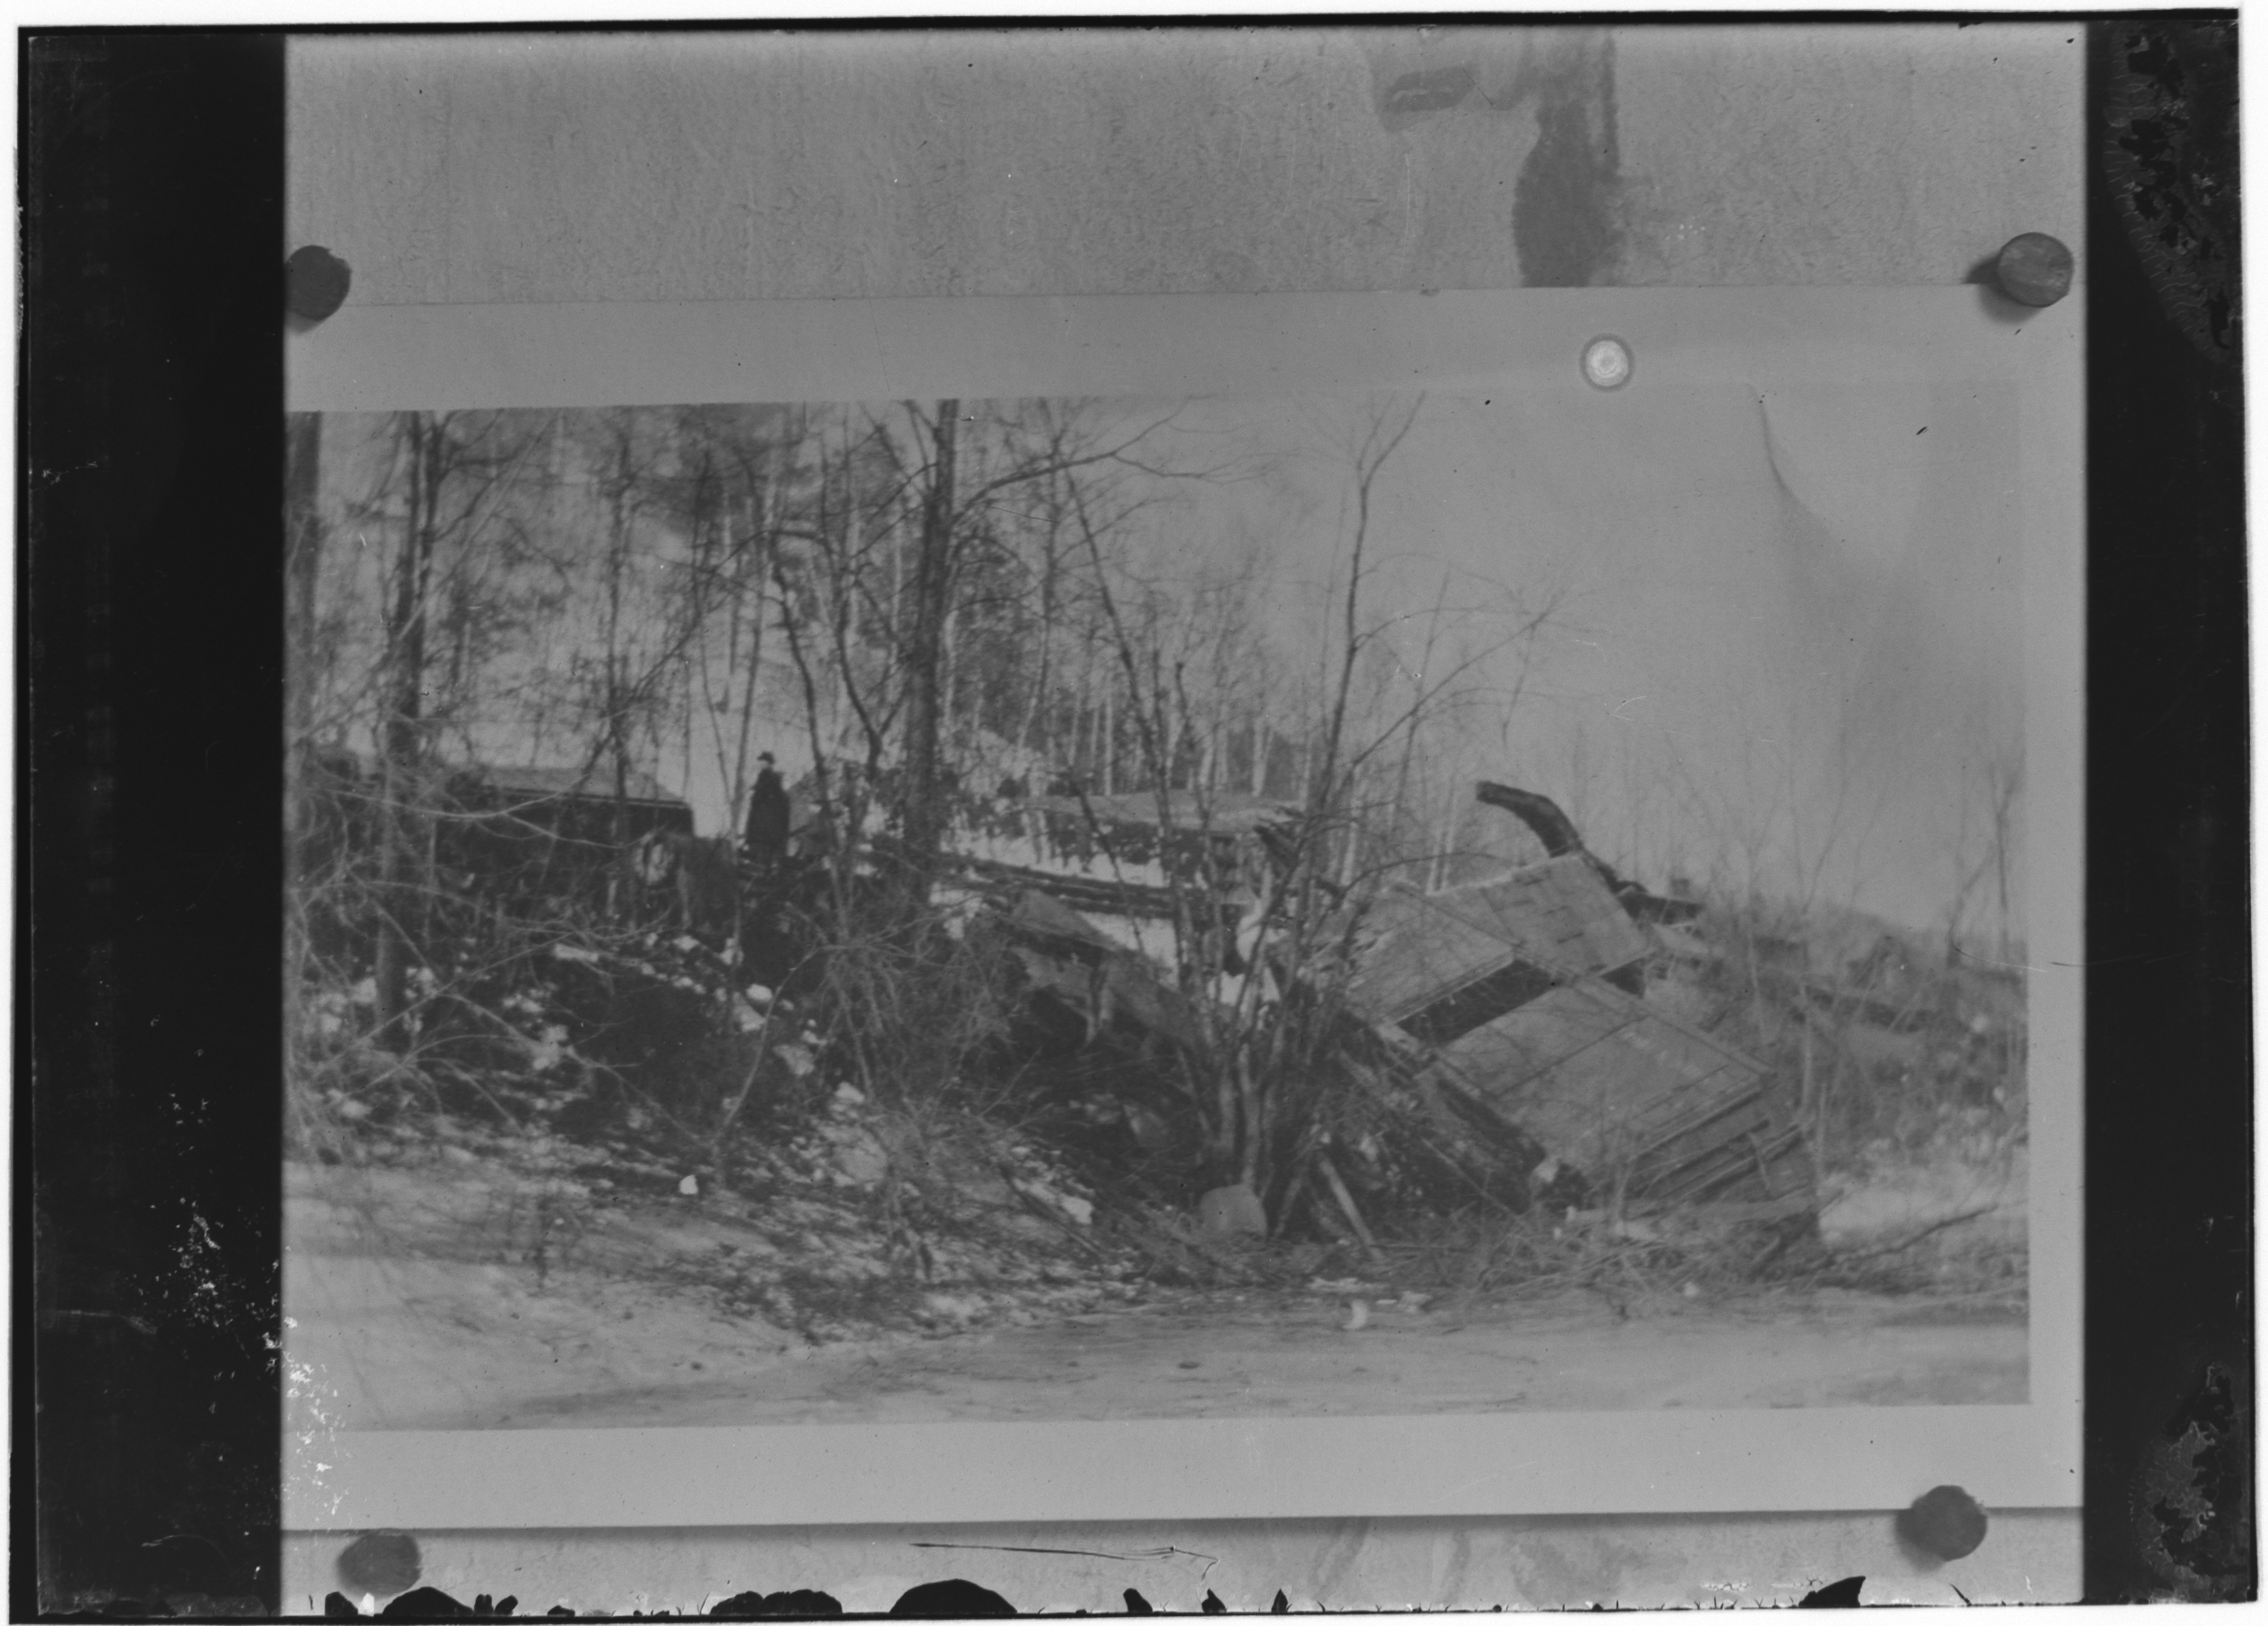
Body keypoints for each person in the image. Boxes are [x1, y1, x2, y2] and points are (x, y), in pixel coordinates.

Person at [743, 751, 790, 872]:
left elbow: (768, 797)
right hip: (764, 829)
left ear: (769, 763)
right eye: (761, 761)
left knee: (762, 858)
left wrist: (756, 791)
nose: (761, 763)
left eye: (763, 761)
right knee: (763, 858)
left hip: (763, 829)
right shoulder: (767, 778)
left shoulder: (768, 777)